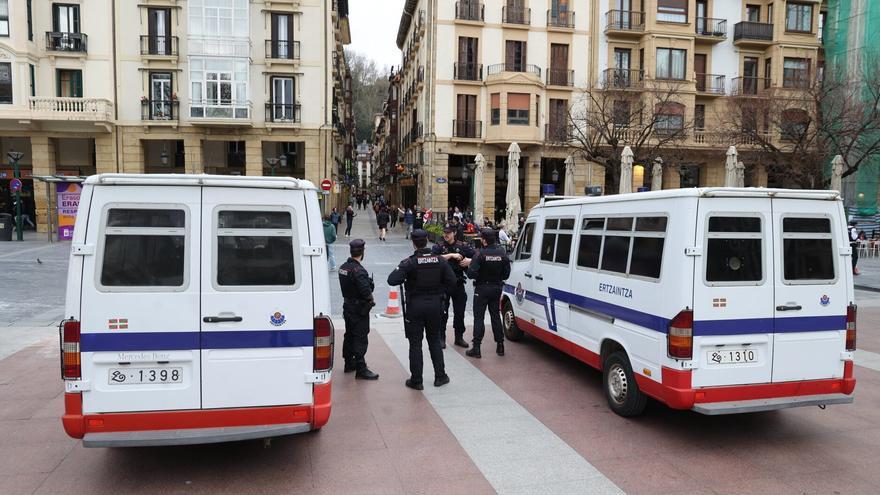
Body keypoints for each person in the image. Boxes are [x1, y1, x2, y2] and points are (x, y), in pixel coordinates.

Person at [387, 229, 456, 390]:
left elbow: (392, 280)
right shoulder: (440, 260)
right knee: (434, 340)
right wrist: (439, 289)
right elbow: (452, 281)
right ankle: (440, 376)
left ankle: (416, 380)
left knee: (415, 343)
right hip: (435, 305)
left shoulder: (410, 262)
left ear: (413, 243)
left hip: (415, 306)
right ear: (427, 241)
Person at [466, 228, 512, 358]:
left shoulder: (480, 254)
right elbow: (506, 274)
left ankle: (476, 347)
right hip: (496, 288)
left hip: (482, 288)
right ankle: (500, 345)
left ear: (484, 240)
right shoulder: (502, 253)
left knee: (479, 318)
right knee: (495, 316)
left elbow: (471, 274)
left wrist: (472, 267)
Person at [338, 239, 380, 380]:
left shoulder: (343, 267)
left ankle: (349, 362)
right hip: (358, 309)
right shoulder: (359, 270)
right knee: (360, 337)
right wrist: (370, 298)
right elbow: (366, 292)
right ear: (362, 252)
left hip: (348, 306)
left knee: (349, 334)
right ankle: (361, 368)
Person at [431, 225, 475, 348]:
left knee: (459, 312)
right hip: (443, 285)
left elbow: (478, 256)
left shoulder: (463, 246)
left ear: (454, 233)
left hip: (458, 284)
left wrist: (469, 261)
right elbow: (433, 258)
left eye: (448, 233)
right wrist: (451, 255)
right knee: (442, 312)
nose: (446, 235)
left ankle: (459, 337)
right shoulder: (439, 246)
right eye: (445, 232)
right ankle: (441, 338)